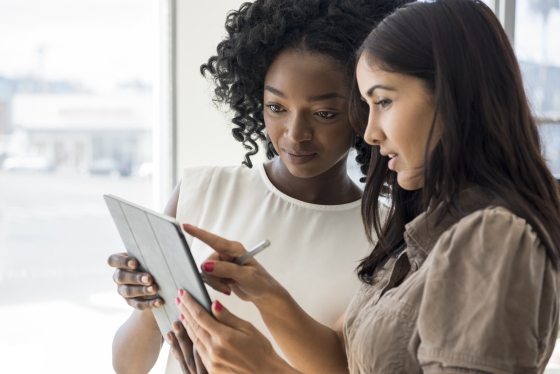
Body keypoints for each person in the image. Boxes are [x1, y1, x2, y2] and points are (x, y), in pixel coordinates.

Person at [172, 0, 560, 373]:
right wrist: (262, 290)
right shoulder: (422, 229)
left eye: (384, 101)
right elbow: (343, 359)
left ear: (452, 96)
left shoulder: (493, 237)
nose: (370, 133)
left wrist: (264, 368)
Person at [107, 0, 410, 373]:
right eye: (277, 107)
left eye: (324, 113)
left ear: (363, 110)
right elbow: (127, 366)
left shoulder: (389, 235)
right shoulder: (202, 191)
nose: (295, 134)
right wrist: (149, 303)